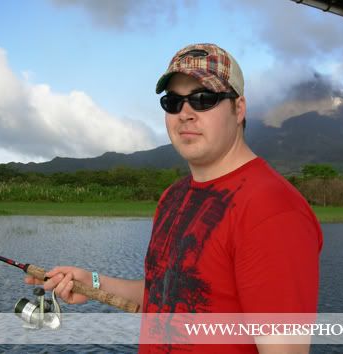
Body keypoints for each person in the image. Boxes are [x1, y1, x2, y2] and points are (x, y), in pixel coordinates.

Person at [25, 43, 323, 354]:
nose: (185, 114)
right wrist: (94, 282)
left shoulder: (273, 210)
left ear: (239, 108)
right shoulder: (173, 197)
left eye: (203, 99)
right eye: (173, 102)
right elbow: (164, 295)